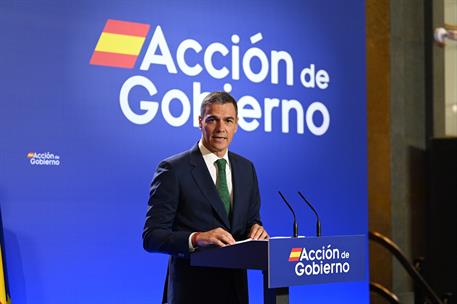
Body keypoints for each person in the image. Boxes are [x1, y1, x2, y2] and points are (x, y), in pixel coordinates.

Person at [142, 91, 269, 304]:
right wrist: (197, 238)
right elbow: (152, 237)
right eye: (212, 120)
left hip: (236, 292)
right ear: (200, 122)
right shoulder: (173, 169)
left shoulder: (246, 168)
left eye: (228, 120)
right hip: (192, 292)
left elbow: (250, 221)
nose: (221, 129)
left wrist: (256, 230)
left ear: (236, 124)